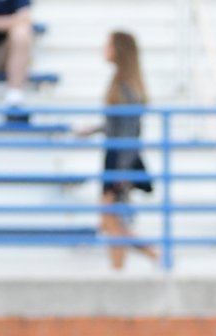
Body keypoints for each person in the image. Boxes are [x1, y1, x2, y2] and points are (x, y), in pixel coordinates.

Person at [75, 31, 157, 271]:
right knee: (112, 221)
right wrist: (92, 130)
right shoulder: (122, 83)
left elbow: (130, 133)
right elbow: (118, 125)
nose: (104, 49)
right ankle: (119, 272)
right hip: (117, 158)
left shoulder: (126, 88)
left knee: (109, 221)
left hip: (120, 161)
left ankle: (155, 254)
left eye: (108, 45)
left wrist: (122, 171)